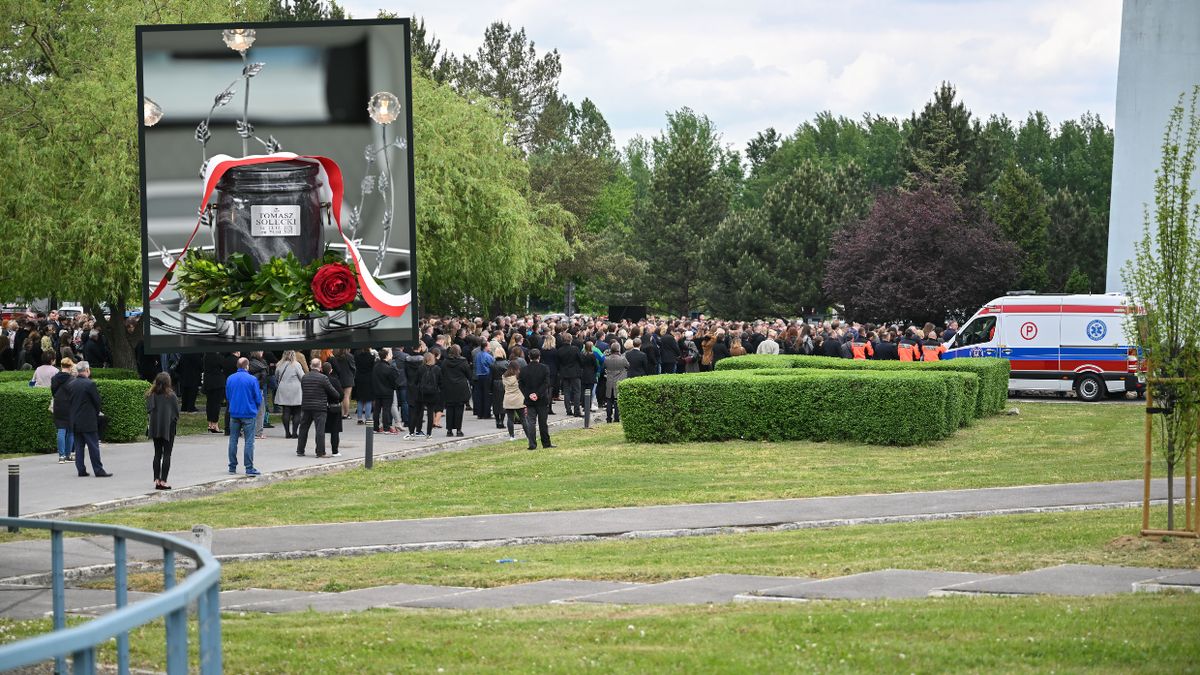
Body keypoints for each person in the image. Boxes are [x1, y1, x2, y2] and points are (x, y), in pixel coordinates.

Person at [68, 361, 112, 477]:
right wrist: (96, 413)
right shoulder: (90, 384)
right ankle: (98, 470)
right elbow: (97, 402)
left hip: (75, 420)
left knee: (79, 446)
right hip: (88, 420)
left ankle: (81, 470)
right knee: (93, 446)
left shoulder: (71, 384)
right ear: (87, 370)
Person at [225, 357, 262, 475]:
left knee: (233, 440)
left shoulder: (230, 378)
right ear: (247, 366)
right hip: (248, 412)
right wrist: (255, 408)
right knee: (249, 441)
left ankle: (232, 466)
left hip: (234, 412)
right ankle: (249, 467)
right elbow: (257, 397)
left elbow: (228, 395)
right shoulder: (252, 379)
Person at [298, 358, 340, 457]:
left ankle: (300, 450)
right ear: (320, 367)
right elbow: (334, 393)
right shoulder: (323, 378)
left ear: (310, 366)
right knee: (320, 430)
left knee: (303, 428)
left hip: (306, 406)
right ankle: (320, 452)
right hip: (319, 407)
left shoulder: (304, 377)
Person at [146, 372, 180, 490]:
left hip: (155, 427)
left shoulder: (152, 394)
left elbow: (149, 409)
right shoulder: (171, 396)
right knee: (167, 454)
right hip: (168, 427)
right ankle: (163, 480)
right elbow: (176, 413)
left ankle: (156, 479)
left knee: (157, 453)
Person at [518, 348, 554, 450]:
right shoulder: (544, 368)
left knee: (531, 423)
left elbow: (521, 385)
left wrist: (529, 394)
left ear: (529, 357)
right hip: (541, 398)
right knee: (543, 423)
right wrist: (537, 394)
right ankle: (546, 443)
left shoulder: (524, 370)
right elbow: (546, 383)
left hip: (530, 399)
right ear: (539, 357)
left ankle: (532, 444)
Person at [440, 344, 472, 437]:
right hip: (460, 388)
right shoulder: (463, 361)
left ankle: (449, 430)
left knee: (449, 409)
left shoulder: (445, 362)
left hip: (448, 387)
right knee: (459, 409)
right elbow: (469, 374)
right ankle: (458, 430)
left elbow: (442, 373)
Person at [409, 352, 442, 439]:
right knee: (430, 413)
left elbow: (415, 382)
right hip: (433, 394)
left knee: (416, 413)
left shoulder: (420, 368)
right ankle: (429, 434)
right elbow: (440, 382)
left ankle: (411, 432)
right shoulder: (437, 369)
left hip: (421, 394)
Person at [274, 351, 305, 438]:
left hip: (283, 388)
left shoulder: (279, 364)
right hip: (295, 389)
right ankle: (294, 432)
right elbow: (302, 377)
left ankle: (287, 432)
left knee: (286, 411)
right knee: (297, 411)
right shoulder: (296, 364)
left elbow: (276, 377)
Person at [50, 357, 75, 463]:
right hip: (70, 405)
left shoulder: (54, 378)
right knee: (70, 431)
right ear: (70, 367)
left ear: (61, 366)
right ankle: (68, 454)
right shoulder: (72, 379)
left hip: (58, 405)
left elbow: (53, 391)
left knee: (61, 429)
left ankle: (61, 456)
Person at [372, 348, 402, 435]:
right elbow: (394, 379)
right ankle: (386, 428)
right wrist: (393, 387)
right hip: (387, 391)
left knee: (377, 409)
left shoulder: (375, 366)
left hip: (377, 391)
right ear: (386, 356)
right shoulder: (389, 368)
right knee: (386, 409)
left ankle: (375, 428)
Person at [322, 361, 344, 457]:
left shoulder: (320, 379)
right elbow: (341, 394)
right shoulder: (334, 380)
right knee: (335, 430)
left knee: (320, 430)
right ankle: (335, 451)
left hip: (322, 406)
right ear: (331, 370)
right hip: (334, 406)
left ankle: (320, 449)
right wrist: (338, 400)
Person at [604, 342, 628, 423]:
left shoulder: (607, 359)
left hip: (609, 381)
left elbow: (604, 366)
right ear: (618, 349)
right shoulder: (622, 359)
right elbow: (628, 365)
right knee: (617, 400)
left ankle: (608, 418)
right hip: (618, 381)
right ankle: (616, 418)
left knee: (609, 400)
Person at [201, 351, 225, 434]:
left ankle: (210, 424)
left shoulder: (206, 356)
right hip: (217, 382)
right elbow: (223, 365)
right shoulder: (218, 357)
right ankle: (215, 424)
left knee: (209, 403)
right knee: (216, 404)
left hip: (208, 382)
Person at [501, 358, 524, 440]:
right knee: (523, 418)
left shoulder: (504, 376)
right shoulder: (518, 377)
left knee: (510, 419)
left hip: (508, 398)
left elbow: (504, 387)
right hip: (518, 398)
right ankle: (529, 435)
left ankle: (511, 436)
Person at [353, 348, 376, 424]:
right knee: (368, 399)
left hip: (359, 378)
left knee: (360, 399)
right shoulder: (372, 357)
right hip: (369, 379)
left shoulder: (357, 357)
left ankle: (359, 418)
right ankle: (367, 418)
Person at [473, 342, 495, 420]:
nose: (490, 347)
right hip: (486, 376)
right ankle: (486, 413)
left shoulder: (477, 355)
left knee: (479, 395)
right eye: (489, 346)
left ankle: (480, 413)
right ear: (485, 347)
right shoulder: (488, 356)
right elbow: (493, 365)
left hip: (479, 376)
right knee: (487, 396)